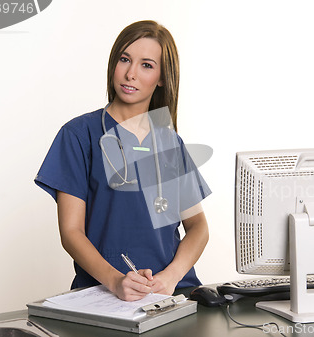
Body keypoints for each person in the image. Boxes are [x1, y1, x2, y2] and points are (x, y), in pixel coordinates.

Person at [35, 20, 211, 301]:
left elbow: (198, 227)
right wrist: (116, 281)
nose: (130, 74)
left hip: (171, 295)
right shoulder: (79, 136)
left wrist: (172, 275)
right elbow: (71, 232)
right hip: (102, 295)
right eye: (125, 59)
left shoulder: (168, 143)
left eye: (147, 65)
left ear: (163, 77)